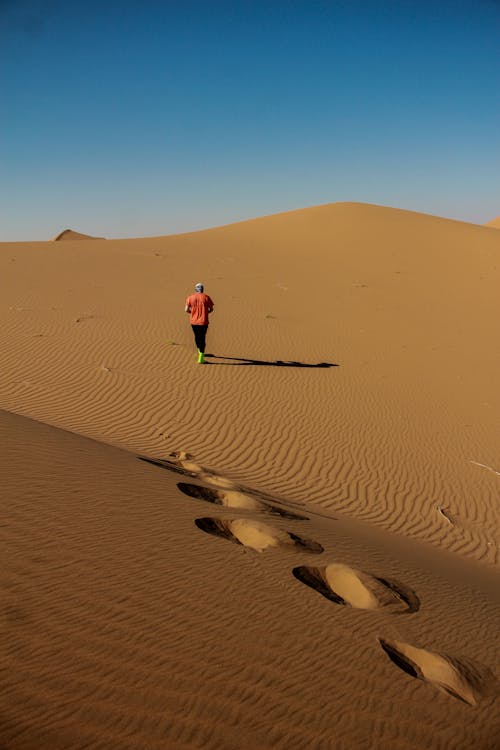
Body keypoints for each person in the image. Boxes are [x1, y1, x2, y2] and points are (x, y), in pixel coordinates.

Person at [185, 282, 214, 363]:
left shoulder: (190, 298)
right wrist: (206, 312)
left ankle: (199, 351)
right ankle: (201, 356)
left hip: (193, 322)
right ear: (202, 289)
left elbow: (186, 309)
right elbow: (211, 309)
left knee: (197, 337)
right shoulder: (206, 297)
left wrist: (193, 313)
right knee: (202, 338)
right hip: (203, 321)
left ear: (195, 289)